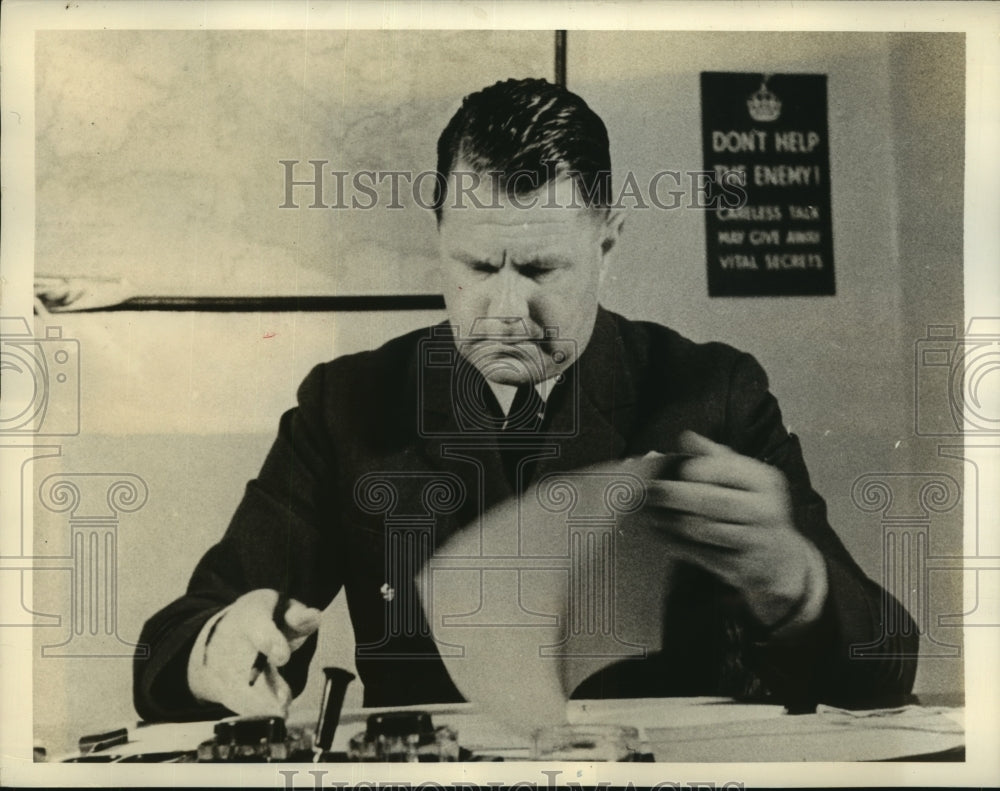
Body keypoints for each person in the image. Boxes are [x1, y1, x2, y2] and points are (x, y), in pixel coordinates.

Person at [133, 78, 917, 723]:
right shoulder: (347, 403)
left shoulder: (712, 392)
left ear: (606, 242)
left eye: (541, 269)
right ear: (438, 233)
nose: (506, 311)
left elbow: (887, 662)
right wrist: (218, 646)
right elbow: (175, 638)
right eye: (477, 265)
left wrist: (795, 579)